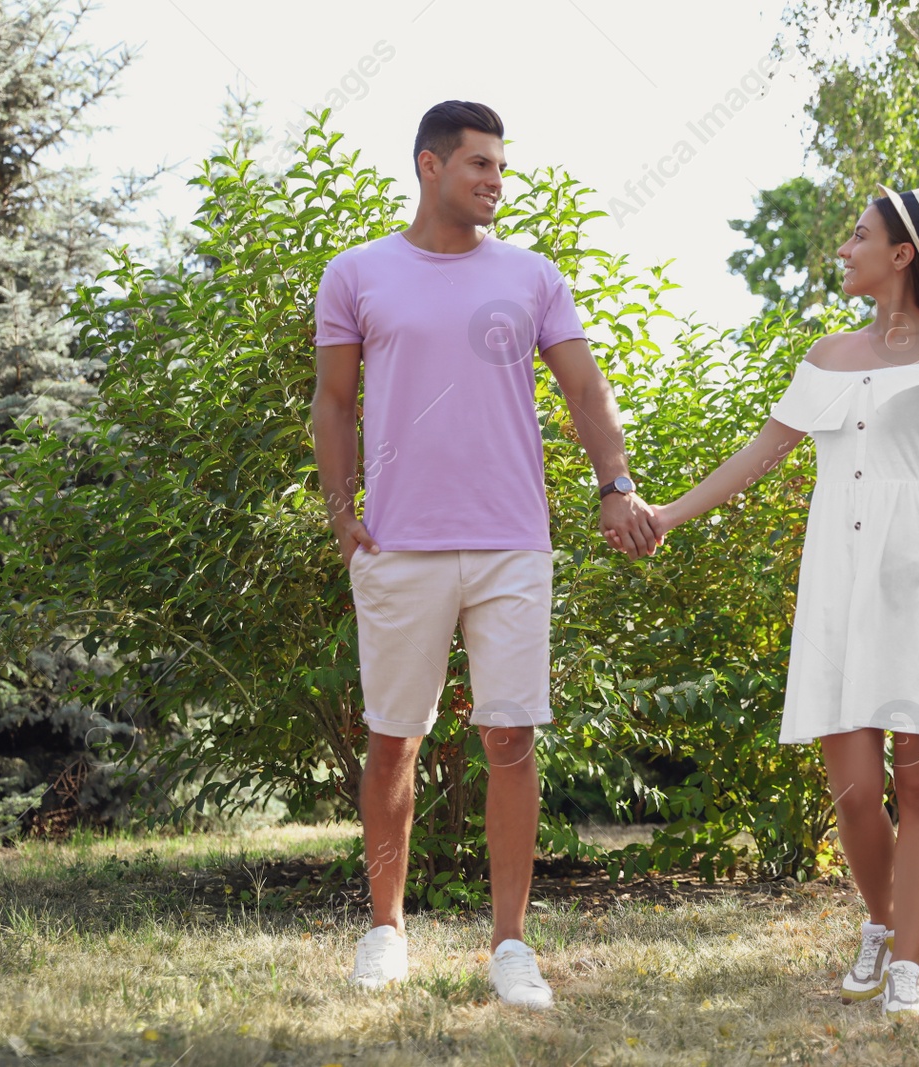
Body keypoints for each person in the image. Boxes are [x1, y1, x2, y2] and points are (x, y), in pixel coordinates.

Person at [627, 182, 919, 1019]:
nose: (842, 250)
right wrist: (666, 514)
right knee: (854, 788)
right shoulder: (826, 355)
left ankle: (909, 968)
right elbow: (761, 453)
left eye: (858, 236)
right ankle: (882, 924)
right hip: (838, 579)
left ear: (901, 254)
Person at [311, 100, 662, 1006]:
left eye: (501, 166)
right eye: (478, 165)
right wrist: (341, 511)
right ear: (429, 166)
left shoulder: (533, 276)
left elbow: (587, 388)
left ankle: (510, 944)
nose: (495, 181)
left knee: (511, 736)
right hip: (399, 545)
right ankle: (385, 930)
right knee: (394, 739)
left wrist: (615, 483)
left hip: (512, 541)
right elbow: (333, 401)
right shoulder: (358, 273)